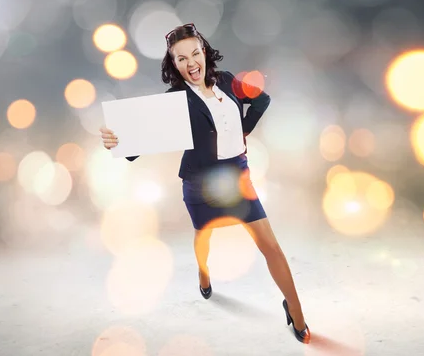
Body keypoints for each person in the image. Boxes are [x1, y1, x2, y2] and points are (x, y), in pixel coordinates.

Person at [99, 23, 310, 343]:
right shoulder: (175, 100)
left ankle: (296, 311)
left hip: (237, 177)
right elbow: (137, 145)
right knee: (204, 233)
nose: (190, 62)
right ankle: (203, 273)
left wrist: (242, 131)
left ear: (204, 54)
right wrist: (117, 141)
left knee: (270, 246)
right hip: (198, 182)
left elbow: (262, 100)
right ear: (174, 64)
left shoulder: (226, 80)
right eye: (181, 58)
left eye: (195, 53)